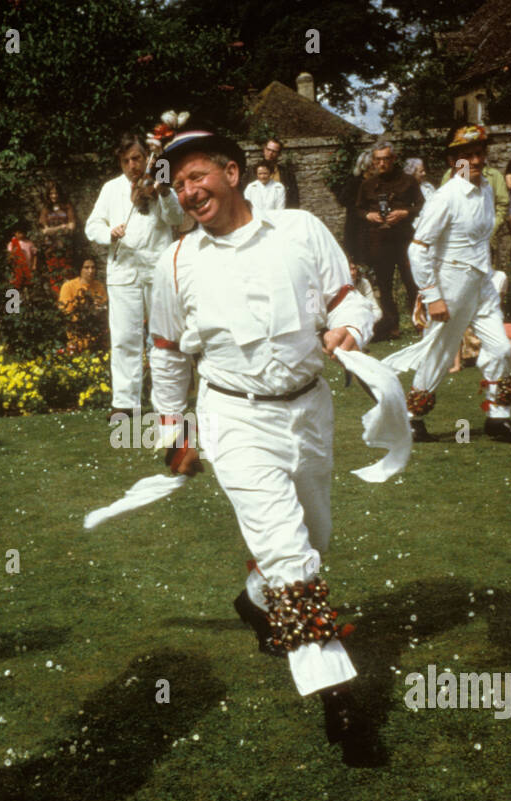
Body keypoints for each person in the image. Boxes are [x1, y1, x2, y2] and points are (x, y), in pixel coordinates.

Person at [147, 124, 378, 763]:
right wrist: (175, 432)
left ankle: (255, 602)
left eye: (198, 177)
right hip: (233, 417)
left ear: (231, 171)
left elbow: (348, 300)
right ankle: (339, 698)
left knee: (314, 534)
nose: (189, 193)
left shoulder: (301, 230)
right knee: (289, 552)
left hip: (309, 409)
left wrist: (350, 331)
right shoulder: (176, 261)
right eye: (179, 184)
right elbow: (166, 353)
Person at [390, 126, 511, 443]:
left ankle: (498, 418)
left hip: (481, 281)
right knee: (440, 353)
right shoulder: (446, 197)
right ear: (454, 161)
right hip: (450, 283)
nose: (476, 160)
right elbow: (418, 248)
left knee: (498, 347)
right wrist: (432, 297)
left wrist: (487, 276)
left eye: (480, 153)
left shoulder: (485, 191)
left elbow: (481, 238)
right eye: (467, 156)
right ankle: (413, 418)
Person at [85, 131, 187, 418]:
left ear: (147, 158)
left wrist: (164, 192)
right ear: (121, 161)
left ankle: (166, 402)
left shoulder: (158, 184)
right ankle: (125, 403)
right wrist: (109, 233)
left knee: (163, 338)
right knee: (124, 339)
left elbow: (176, 219)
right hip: (123, 272)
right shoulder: (111, 189)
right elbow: (92, 226)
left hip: (157, 270)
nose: (133, 164)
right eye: (128, 159)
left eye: (138, 158)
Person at [356, 142, 423, 339]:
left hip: (403, 239)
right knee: (384, 286)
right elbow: (358, 209)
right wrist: (369, 216)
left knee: (412, 283)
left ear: (393, 159)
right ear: (373, 162)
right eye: (378, 159)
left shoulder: (408, 181)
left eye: (386, 159)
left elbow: (421, 205)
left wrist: (405, 212)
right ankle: (391, 326)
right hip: (379, 240)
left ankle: (419, 323)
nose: (382, 163)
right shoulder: (367, 184)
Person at [37, 181, 79, 296]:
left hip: (66, 247)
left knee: (67, 273)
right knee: (54, 274)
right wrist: (61, 227)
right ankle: (57, 302)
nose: (54, 196)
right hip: (51, 248)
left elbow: (72, 226)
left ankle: (68, 301)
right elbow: (45, 230)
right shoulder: (46, 209)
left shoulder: (67, 207)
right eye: (51, 193)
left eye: (56, 193)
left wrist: (53, 230)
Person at [58, 257, 109, 353]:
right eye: (86, 267)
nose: (91, 271)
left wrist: (100, 308)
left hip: (97, 335)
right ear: (80, 269)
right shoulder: (69, 287)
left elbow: (105, 308)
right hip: (76, 336)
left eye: (93, 268)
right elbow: (66, 312)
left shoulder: (99, 286)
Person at [262, 137, 299, 209]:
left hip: (281, 214)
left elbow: (294, 200)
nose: (270, 153)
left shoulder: (287, 174)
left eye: (274, 151)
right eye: (268, 149)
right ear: (264, 150)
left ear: (279, 154)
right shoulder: (252, 172)